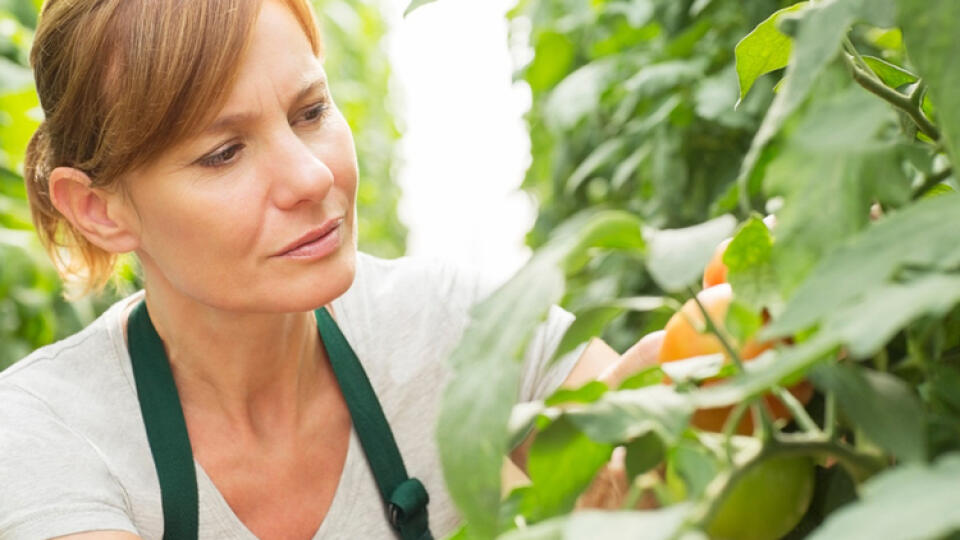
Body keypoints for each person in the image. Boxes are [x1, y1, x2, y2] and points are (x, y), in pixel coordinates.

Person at [0, 0, 664, 538]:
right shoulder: (44, 433)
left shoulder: (459, 325)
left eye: (311, 112)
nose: (311, 177)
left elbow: (648, 451)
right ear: (99, 210)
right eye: (224, 153)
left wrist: (701, 373)